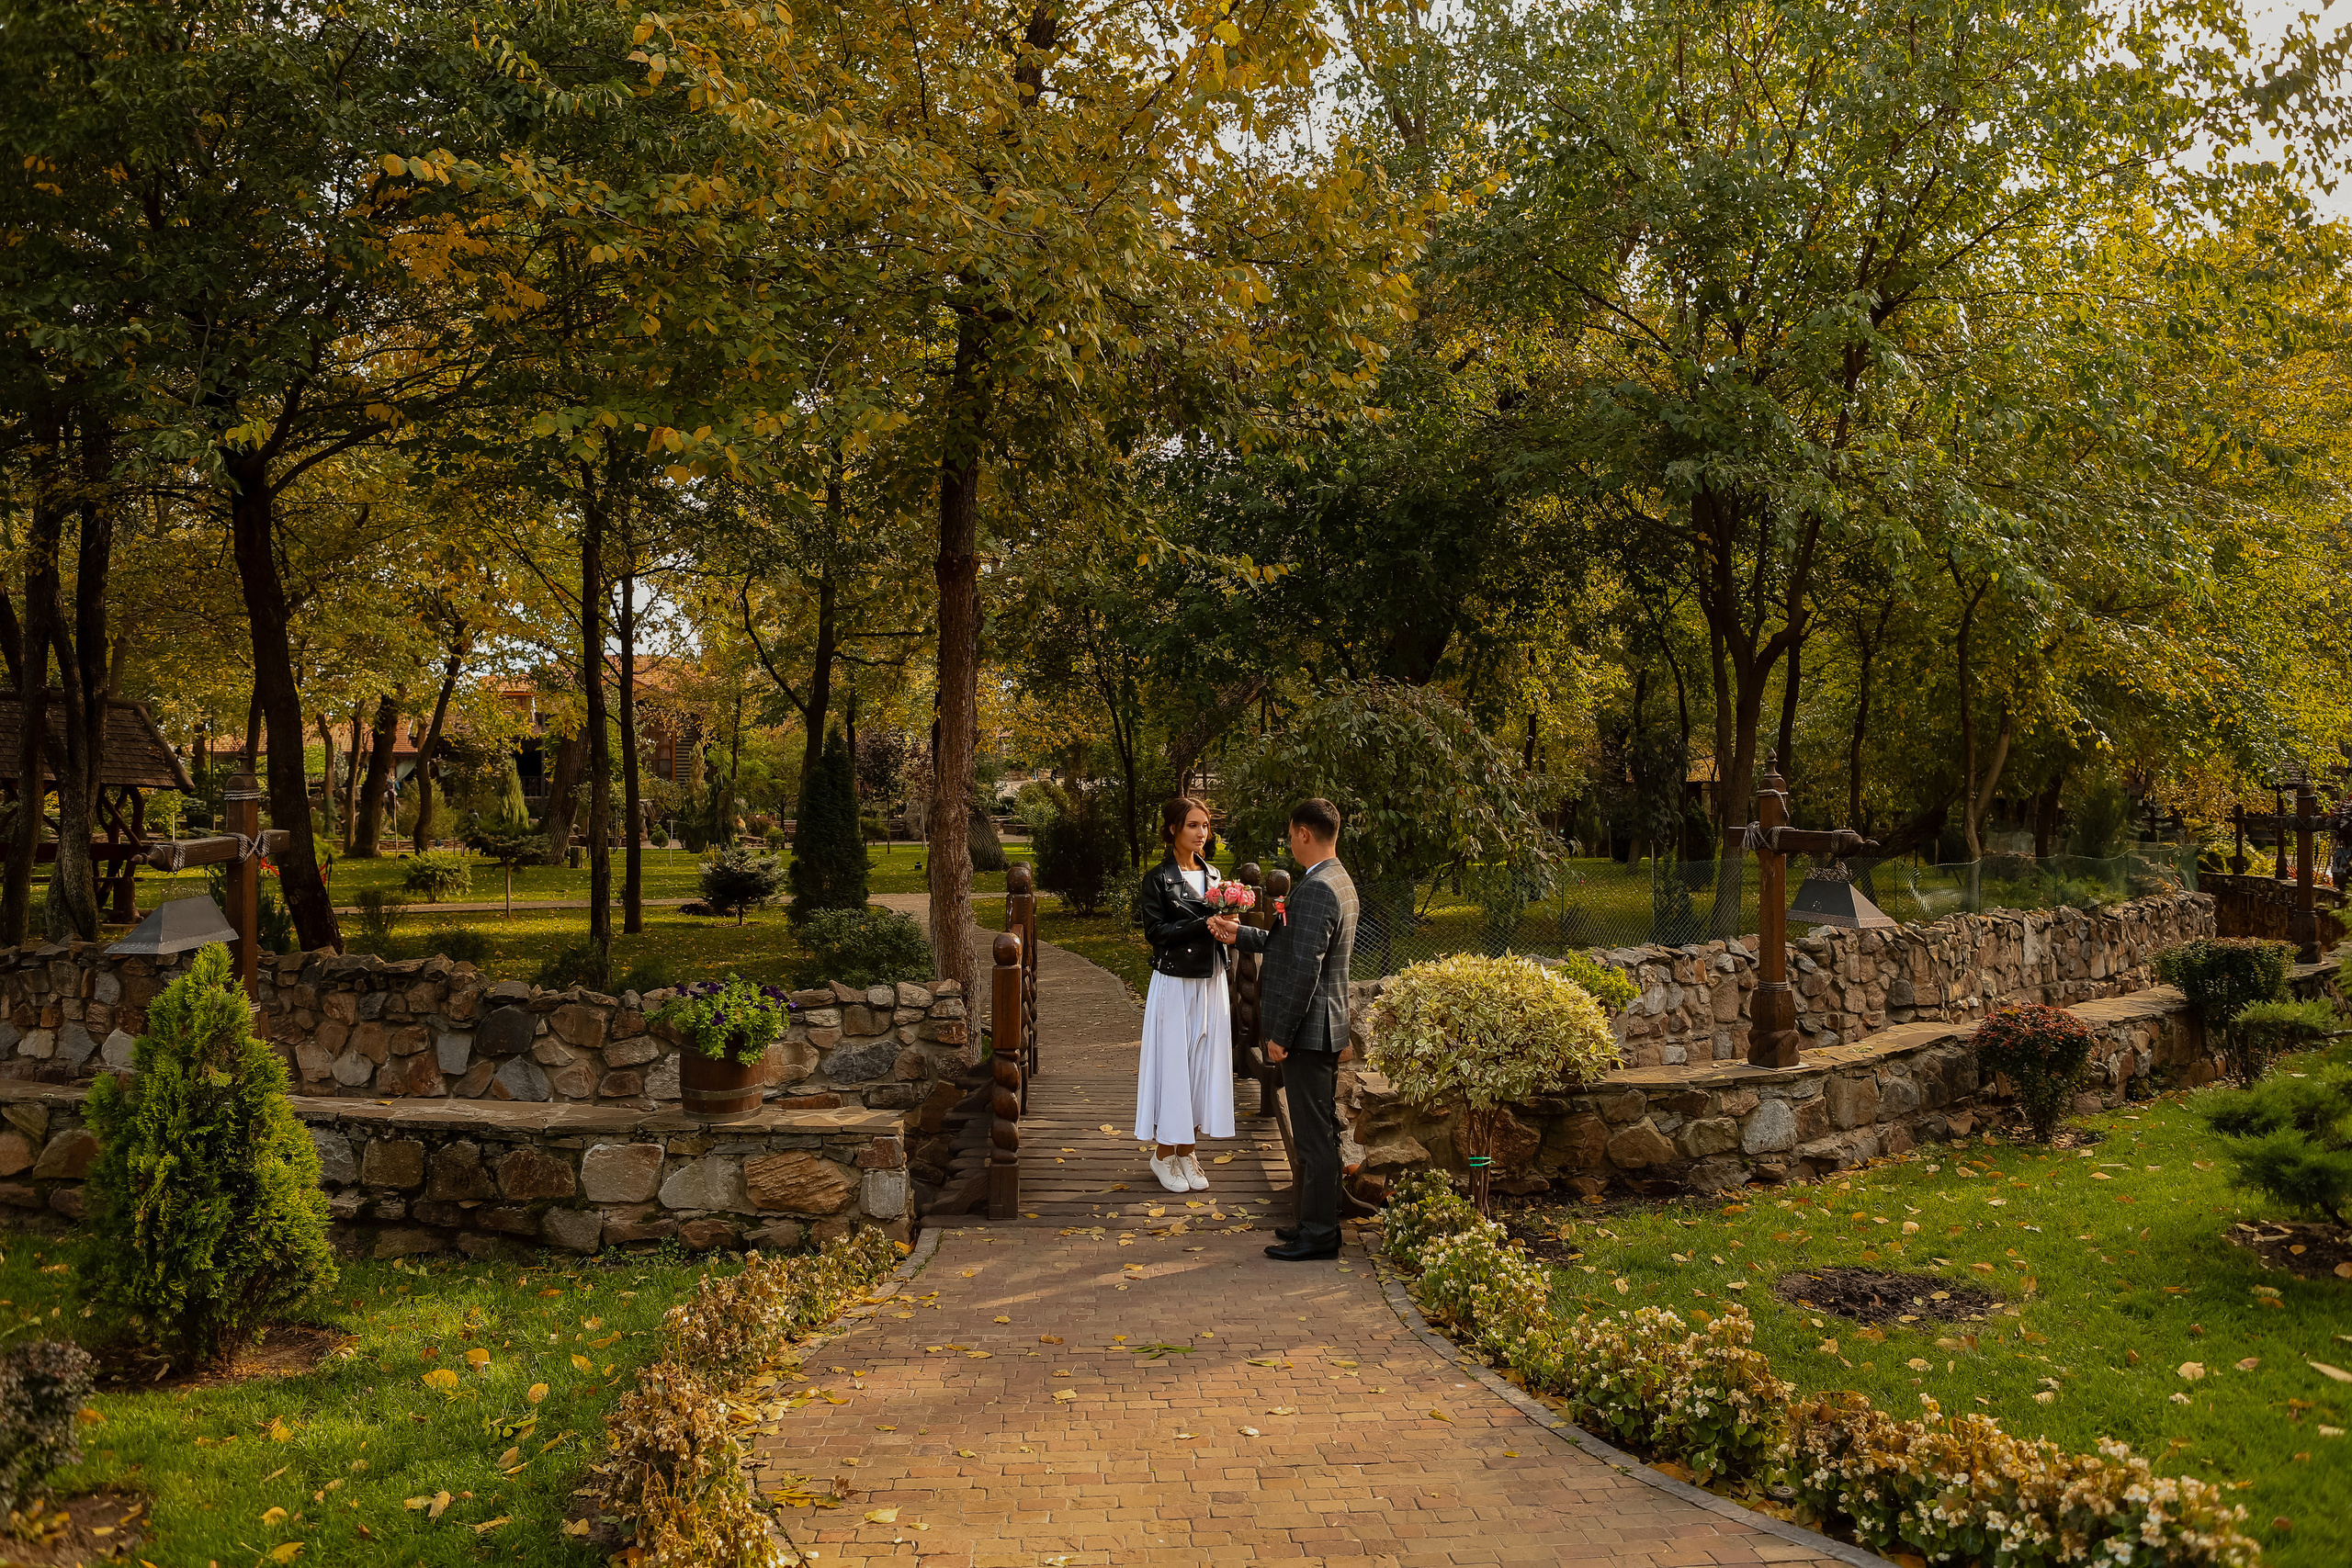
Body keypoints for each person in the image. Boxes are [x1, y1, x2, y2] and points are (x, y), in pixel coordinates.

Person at [1212, 797, 1358, 1261]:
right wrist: (1244, 936)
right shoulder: (1336, 879)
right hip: (1322, 1029)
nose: (1288, 840)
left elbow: (1303, 971)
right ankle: (1315, 1221)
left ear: (1303, 833)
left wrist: (1280, 1035)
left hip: (1309, 1033)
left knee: (1314, 1139)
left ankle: (1320, 1234)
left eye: (1289, 833)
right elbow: (1292, 942)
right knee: (1321, 1132)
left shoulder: (1317, 888)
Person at [1135, 796, 1238, 1193]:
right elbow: (1156, 933)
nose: (1201, 833)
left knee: (1202, 1063)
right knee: (1175, 1064)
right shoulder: (1158, 879)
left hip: (1211, 981)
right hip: (1175, 982)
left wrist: (1230, 924)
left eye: (1205, 826)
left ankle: (1187, 1149)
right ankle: (1163, 1153)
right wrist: (1204, 923)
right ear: (1174, 829)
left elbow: (1221, 929)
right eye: (1193, 825)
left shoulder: (1215, 877)